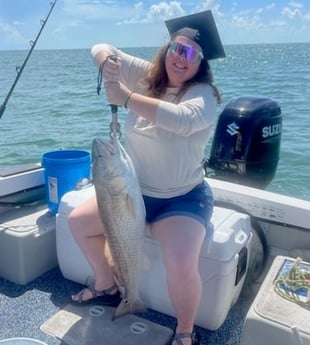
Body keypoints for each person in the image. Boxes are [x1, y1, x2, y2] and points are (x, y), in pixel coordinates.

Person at [68, 10, 225, 345]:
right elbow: (99, 45)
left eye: (190, 54)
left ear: (201, 63)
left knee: (181, 264)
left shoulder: (204, 96)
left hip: (181, 197)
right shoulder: (146, 75)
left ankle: (184, 330)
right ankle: (106, 285)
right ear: (166, 50)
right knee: (78, 223)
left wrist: (125, 98)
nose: (180, 59)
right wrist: (107, 60)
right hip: (132, 191)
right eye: (175, 49)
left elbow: (181, 120)